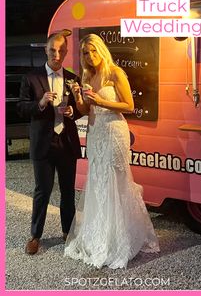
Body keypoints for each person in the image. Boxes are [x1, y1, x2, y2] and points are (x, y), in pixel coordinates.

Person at [64, 34, 160, 269]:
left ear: (101, 50)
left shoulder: (115, 72)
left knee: (116, 181)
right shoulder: (87, 75)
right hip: (95, 132)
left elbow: (129, 105)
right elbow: (86, 110)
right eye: (85, 53)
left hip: (114, 131)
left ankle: (120, 238)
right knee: (98, 181)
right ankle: (99, 235)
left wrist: (101, 101)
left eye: (93, 51)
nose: (90, 56)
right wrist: (78, 96)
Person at [17, 32, 83, 255]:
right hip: (43, 144)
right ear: (45, 50)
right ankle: (35, 235)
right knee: (42, 191)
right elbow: (21, 108)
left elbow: (79, 110)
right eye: (52, 49)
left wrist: (74, 112)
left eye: (61, 50)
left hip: (66, 142)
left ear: (66, 52)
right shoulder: (31, 77)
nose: (57, 54)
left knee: (68, 192)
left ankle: (68, 232)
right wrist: (42, 102)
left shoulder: (74, 78)